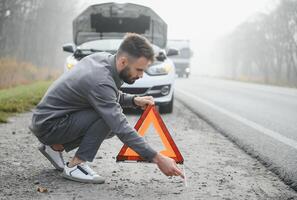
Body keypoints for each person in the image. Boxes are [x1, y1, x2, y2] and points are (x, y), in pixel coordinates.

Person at [29, 33, 184, 184]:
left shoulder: (102, 59)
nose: (141, 76)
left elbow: (106, 95)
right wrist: (157, 158)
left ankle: (56, 147)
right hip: (50, 125)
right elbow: (120, 126)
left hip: (49, 120)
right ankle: (76, 165)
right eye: (139, 70)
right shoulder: (100, 80)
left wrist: (134, 100)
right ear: (123, 62)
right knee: (108, 120)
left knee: (107, 119)